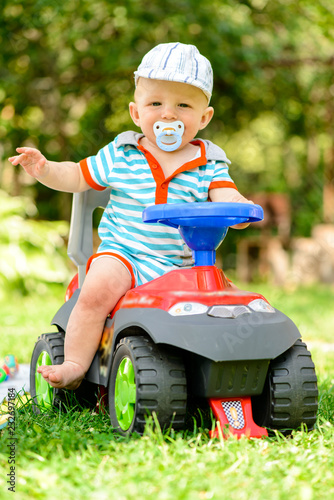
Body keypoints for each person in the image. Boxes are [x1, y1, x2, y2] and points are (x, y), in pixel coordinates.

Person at [8, 42, 253, 390]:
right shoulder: (122, 154)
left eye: (183, 105)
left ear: (204, 117)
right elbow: (77, 176)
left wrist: (238, 209)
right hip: (126, 254)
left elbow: (225, 194)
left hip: (183, 264)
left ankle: (216, 368)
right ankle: (76, 363)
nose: (168, 115)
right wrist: (45, 169)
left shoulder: (209, 162)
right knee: (96, 291)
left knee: (225, 307)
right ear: (137, 113)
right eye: (156, 104)